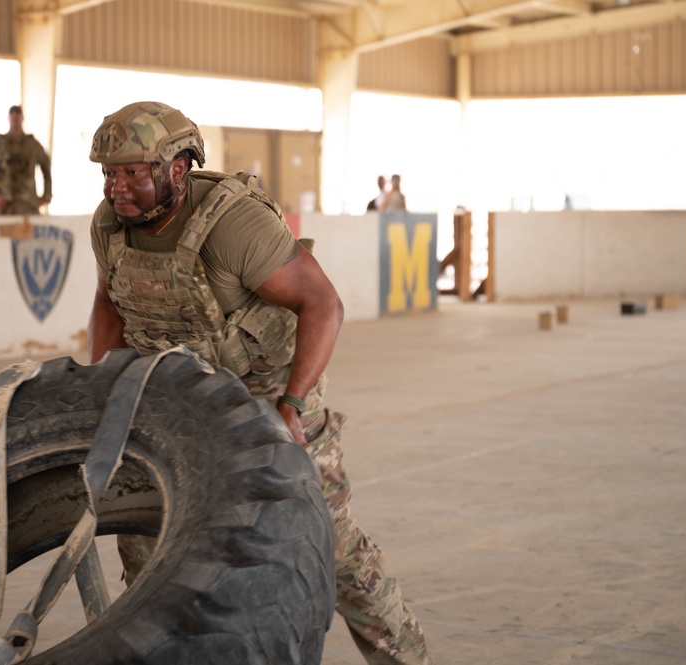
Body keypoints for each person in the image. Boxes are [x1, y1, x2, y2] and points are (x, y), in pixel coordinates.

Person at [87, 101, 433, 665]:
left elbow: (323, 303)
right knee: (147, 550)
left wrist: (293, 405)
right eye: (108, 173)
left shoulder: (233, 224)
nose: (116, 188)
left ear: (176, 169)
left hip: (269, 397)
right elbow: (108, 303)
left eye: (131, 173)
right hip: (179, 402)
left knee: (334, 548)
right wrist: (106, 388)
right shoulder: (110, 225)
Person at [0, 105, 52, 215]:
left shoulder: (33, 145)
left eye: (17, 115)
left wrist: (46, 196)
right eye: (12, 114)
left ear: (22, 117)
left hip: (27, 204)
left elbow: (46, 169)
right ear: (8, 118)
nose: (15, 118)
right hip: (2, 205)